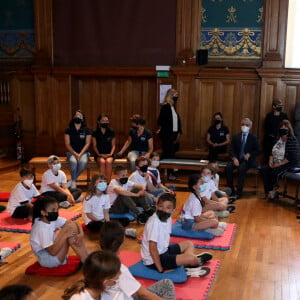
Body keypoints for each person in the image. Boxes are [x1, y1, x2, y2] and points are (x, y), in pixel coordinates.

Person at [99, 221, 176, 300]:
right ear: (122, 239)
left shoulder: (95, 261)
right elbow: (143, 294)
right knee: (167, 284)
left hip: (123, 296)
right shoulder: (119, 269)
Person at [141, 193, 212, 273]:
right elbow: (152, 248)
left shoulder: (168, 218)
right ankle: (190, 260)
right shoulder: (154, 222)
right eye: (161, 206)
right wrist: (161, 269)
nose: (163, 210)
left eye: (168, 208)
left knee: (189, 244)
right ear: (156, 206)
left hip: (164, 251)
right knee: (192, 259)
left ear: (173, 211)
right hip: (153, 260)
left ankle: (188, 260)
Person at [30, 195, 88, 268]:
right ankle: (86, 260)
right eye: (53, 210)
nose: (56, 212)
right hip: (49, 260)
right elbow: (52, 252)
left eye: (57, 209)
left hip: (55, 253)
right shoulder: (41, 228)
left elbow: (73, 223)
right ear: (43, 212)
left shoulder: (50, 219)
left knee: (71, 226)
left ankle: (86, 258)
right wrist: (65, 234)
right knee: (68, 228)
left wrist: (81, 233)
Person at [260, 120, 300, 201]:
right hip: (276, 162)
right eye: (281, 127)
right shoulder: (278, 138)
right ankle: (269, 192)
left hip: (289, 163)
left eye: (285, 127)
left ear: (289, 129)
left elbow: (291, 157)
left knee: (274, 170)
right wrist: (270, 160)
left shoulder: (292, 139)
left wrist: (278, 164)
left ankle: (273, 192)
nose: (283, 129)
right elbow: (272, 151)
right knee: (264, 169)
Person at [225, 117, 260, 199]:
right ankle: (231, 190)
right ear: (240, 125)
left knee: (242, 168)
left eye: (247, 125)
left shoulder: (253, 137)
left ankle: (238, 193)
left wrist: (250, 154)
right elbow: (231, 149)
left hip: (248, 161)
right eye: (243, 124)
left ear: (250, 127)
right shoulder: (236, 137)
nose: (244, 126)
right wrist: (234, 158)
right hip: (237, 159)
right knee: (229, 167)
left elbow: (258, 150)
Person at [157, 88, 182, 181]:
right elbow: (160, 121)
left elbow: (177, 122)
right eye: (175, 95)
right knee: (168, 154)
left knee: (172, 154)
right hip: (167, 135)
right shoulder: (166, 107)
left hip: (174, 135)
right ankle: (168, 174)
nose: (177, 97)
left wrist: (178, 133)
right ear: (170, 95)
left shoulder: (173, 107)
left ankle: (169, 173)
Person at [65, 109, 91, 188]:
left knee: (83, 163)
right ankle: (73, 182)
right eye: (76, 115)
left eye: (80, 116)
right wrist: (75, 154)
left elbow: (87, 143)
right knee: (73, 162)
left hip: (84, 153)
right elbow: (67, 144)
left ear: (83, 118)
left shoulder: (87, 129)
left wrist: (80, 154)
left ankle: (73, 180)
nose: (78, 117)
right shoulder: (69, 129)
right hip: (71, 152)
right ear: (73, 117)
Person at [92, 114, 115, 181]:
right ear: (99, 122)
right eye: (103, 120)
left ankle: (108, 182)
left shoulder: (111, 131)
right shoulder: (95, 132)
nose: (105, 122)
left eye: (107, 121)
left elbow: (113, 145)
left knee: (108, 162)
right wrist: (99, 154)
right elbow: (94, 145)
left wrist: (111, 153)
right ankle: (103, 182)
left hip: (109, 154)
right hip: (99, 154)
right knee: (102, 162)